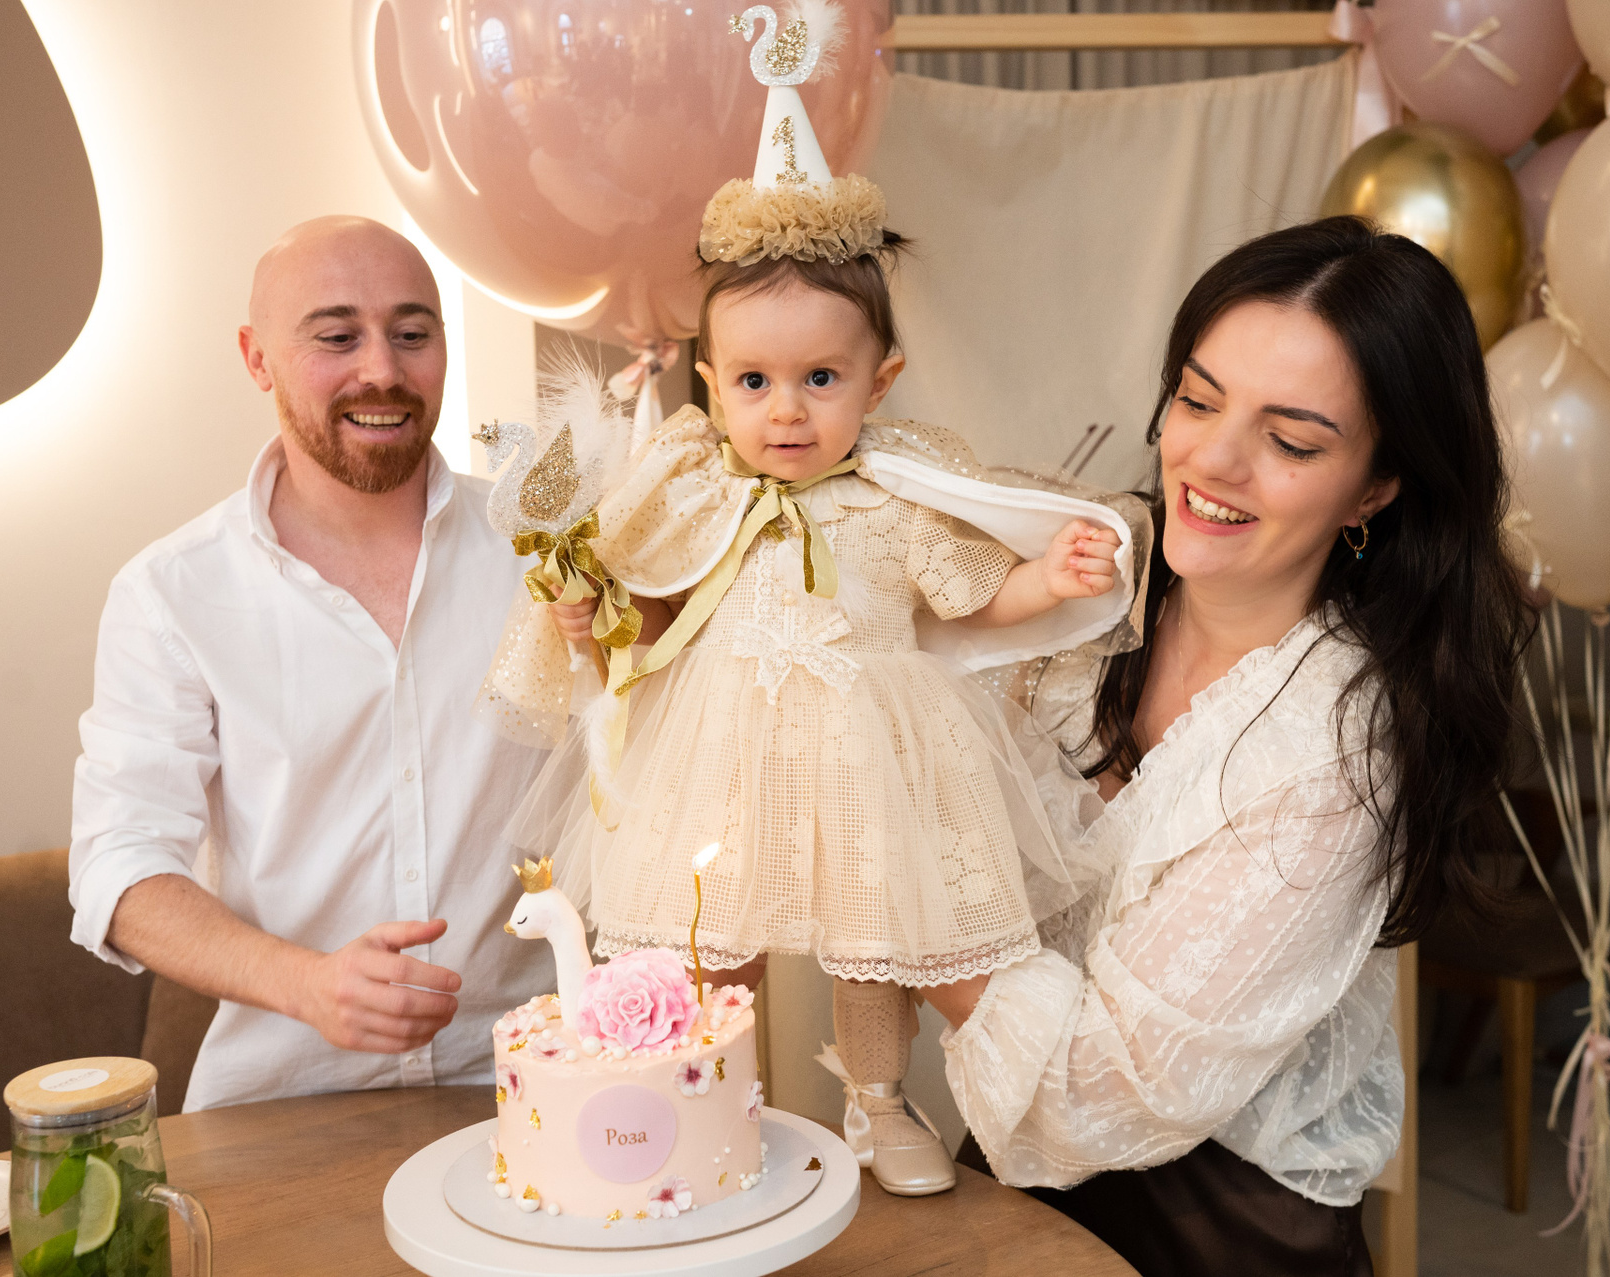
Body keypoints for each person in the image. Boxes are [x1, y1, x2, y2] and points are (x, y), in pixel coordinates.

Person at [477, 27, 1148, 1198]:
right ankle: (707, 1093)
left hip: (870, 747)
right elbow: (652, 612)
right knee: (706, 923)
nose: (785, 411)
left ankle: (878, 1098)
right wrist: (594, 620)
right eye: (754, 381)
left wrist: (1056, 576)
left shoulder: (899, 492)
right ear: (709, 383)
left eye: (821, 379)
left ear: (880, 381)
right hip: (719, 750)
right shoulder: (691, 487)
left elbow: (977, 598)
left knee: (871, 938)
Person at [922, 217, 1532, 1275]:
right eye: (1199, 401)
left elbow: (1098, 1089)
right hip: (1016, 1172)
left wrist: (899, 899)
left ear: (1377, 486)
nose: (1211, 459)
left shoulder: (1337, 750)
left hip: (1222, 1227)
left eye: (1291, 441)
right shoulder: (1087, 591)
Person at [68, 216, 552, 1111]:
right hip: (279, 1107)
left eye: (412, 334)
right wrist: (308, 984)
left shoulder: (548, 559)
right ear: (257, 358)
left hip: (531, 1086)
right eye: (337, 337)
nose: (382, 370)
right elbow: (119, 866)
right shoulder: (170, 593)